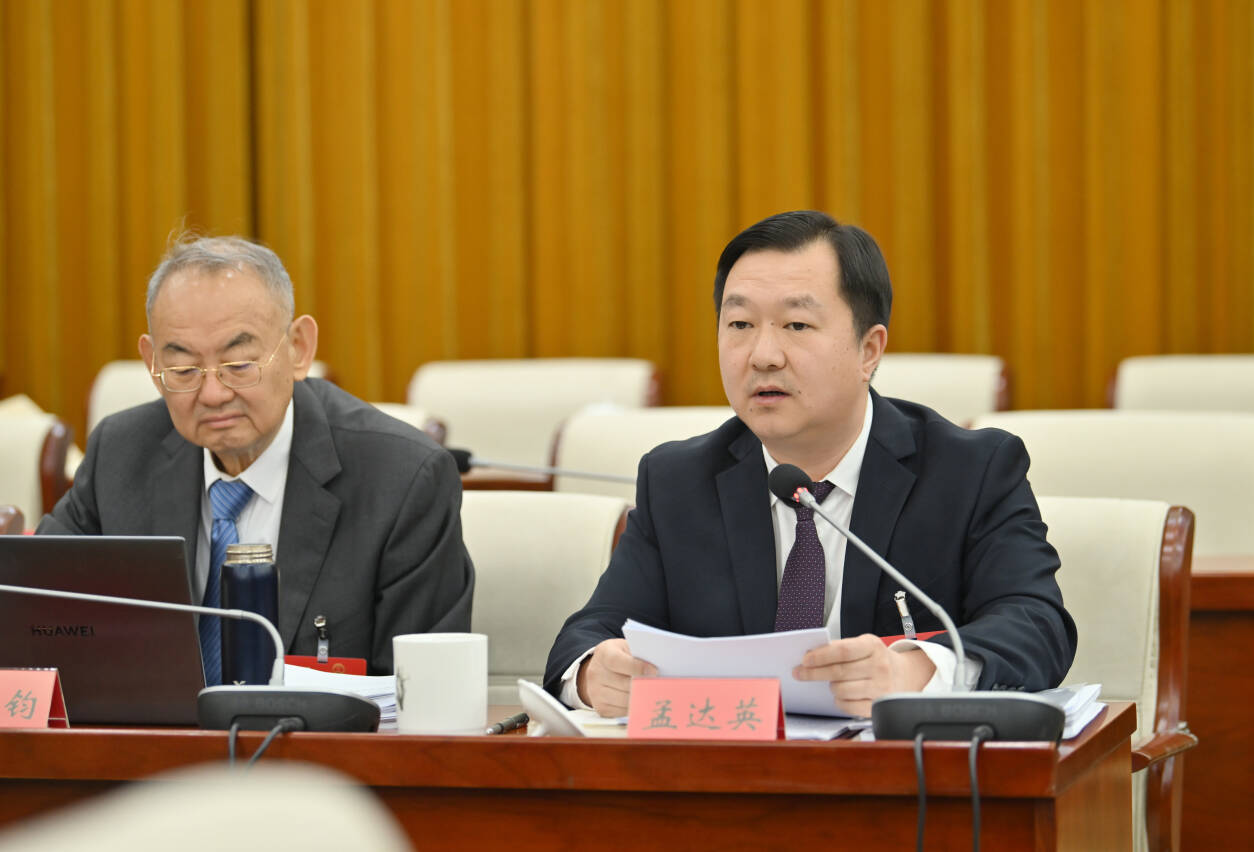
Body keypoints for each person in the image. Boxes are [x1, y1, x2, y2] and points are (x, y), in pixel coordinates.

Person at [544, 210, 1076, 717]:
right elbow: (589, 633)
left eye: (796, 325)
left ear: (869, 350)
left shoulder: (971, 471)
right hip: (732, 769)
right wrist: (594, 675)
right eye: (739, 323)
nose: (763, 355)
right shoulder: (678, 481)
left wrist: (909, 672)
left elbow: (1036, 625)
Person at [39, 235, 473, 678]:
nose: (213, 394)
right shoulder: (121, 454)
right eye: (184, 369)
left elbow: (422, 691)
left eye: (239, 364)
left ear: (298, 348)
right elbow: (35, 609)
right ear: (152, 363)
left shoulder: (402, 478)